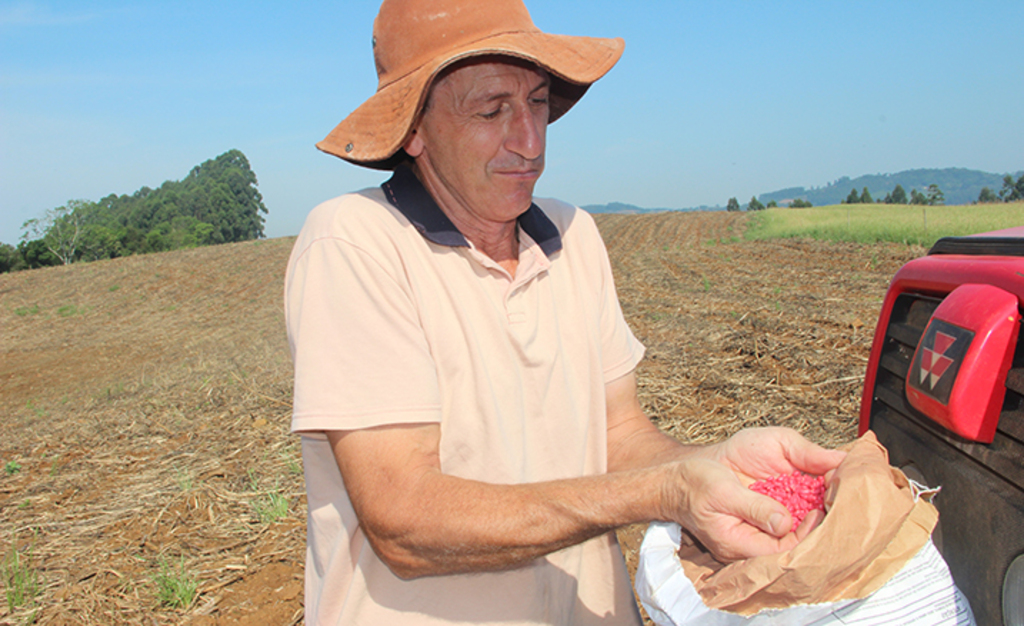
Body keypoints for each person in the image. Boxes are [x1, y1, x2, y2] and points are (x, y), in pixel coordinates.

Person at [284, 0, 846, 624]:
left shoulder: (571, 234)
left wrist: (715, 464)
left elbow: (619, 436)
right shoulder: (357, 242)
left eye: (538, 104)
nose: (529, 142)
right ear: (415, 130)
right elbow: (404, 520)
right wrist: (664, 492)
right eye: (493, 110)